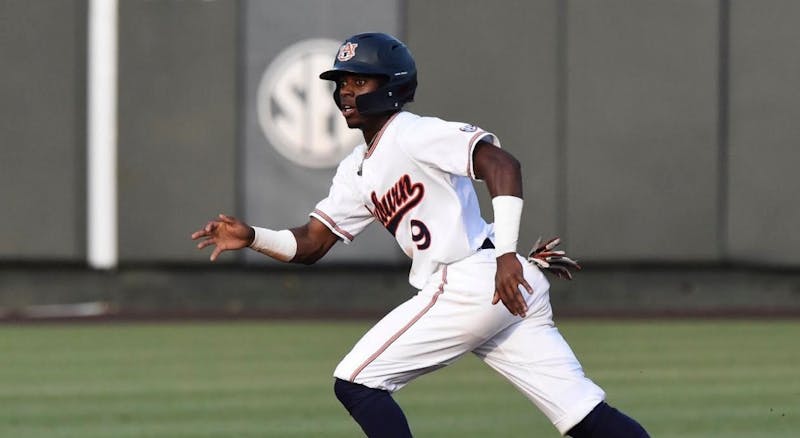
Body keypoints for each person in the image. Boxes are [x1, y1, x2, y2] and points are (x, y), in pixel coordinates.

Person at [191, 32, 649, 437]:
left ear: (390, 85)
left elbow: (502, 165)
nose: (346, 92)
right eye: (342, 82)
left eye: (359, 81)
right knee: (585, 416)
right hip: (501, 283)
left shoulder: (412, 133)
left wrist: (508, 254)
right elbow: (311, 243)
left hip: (475, 279)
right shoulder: (356, 169)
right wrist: (252, 236)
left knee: (357, 381)